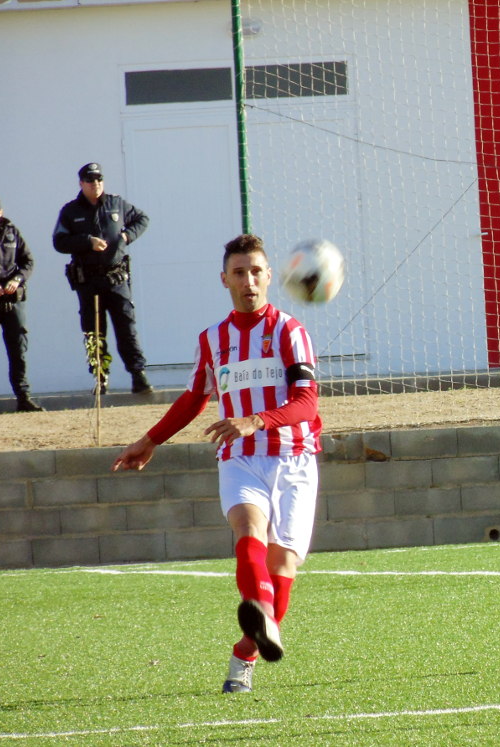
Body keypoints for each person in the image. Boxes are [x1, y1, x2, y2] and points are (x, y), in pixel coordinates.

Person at [112, 234, 322, 694]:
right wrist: (149, 440)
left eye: (256, 272)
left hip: (293, 457)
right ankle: (260, 611)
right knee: (247, 529)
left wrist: (256, 420)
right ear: (224, 279)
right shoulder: (213, 340)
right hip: (239, 457)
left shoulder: (290, 332)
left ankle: (245, 652)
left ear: (270, 276)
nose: (249, 281)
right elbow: (194, 398)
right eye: (239, 272)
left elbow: (307, 402)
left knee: (283, 568)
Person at [52, 162, 152, 395]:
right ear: (81, 183)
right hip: (89, 281)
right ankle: (100, 377)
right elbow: (59, 242)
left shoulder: (116, 203)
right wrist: (87, 242)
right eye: (90, 180)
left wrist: (126, 236)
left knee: (126, 328)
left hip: (116, 278)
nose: (95, 184)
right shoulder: (71, 211)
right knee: (94, 332)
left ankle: (138, 375)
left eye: (99, 179)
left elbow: (142, 219)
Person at [0, 196, 44, 415]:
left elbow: (28, 262)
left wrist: (17, 280)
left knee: (18, 348)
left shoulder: (13, 233)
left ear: (1, 212)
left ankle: (23, 397)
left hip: (12, 300)